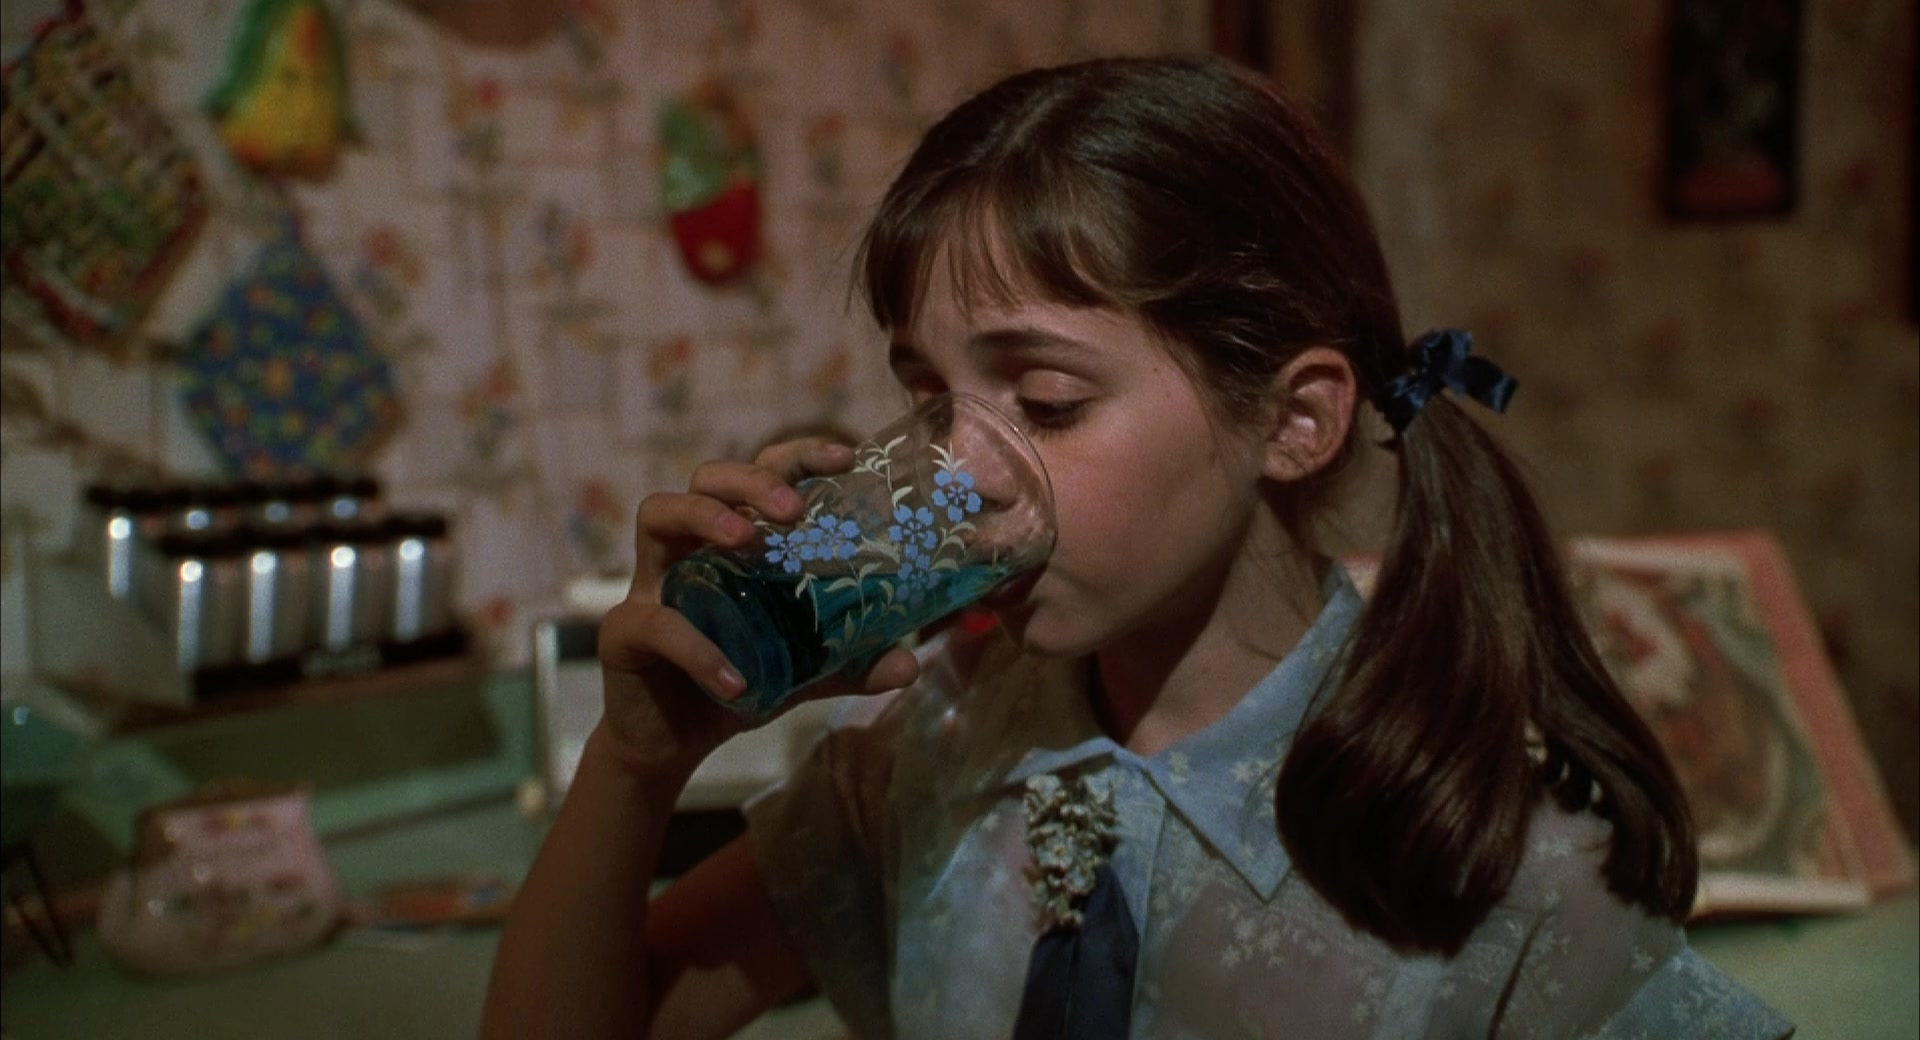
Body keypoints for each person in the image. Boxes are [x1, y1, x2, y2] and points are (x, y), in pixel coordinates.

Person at [484, 55, 1792, 1039]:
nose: (957, 474)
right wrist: (639, 766)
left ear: (1293, 421)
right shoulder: (939, 752)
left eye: (1048, 401)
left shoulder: (1492, 862)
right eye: (930, 399)